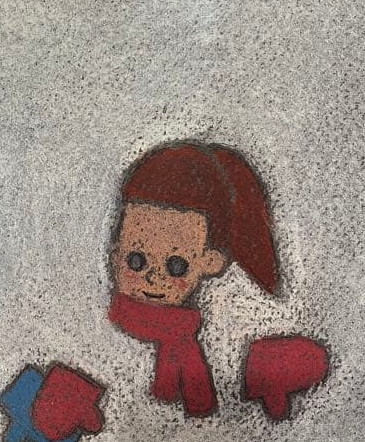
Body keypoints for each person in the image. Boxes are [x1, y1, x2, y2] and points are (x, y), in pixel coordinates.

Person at [108, 140, 327, 420]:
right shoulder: (107, 334)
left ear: (210, 261)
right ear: (116, 254)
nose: (153, 277)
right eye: (136, 260)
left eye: (176, 266)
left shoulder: (216, 335)